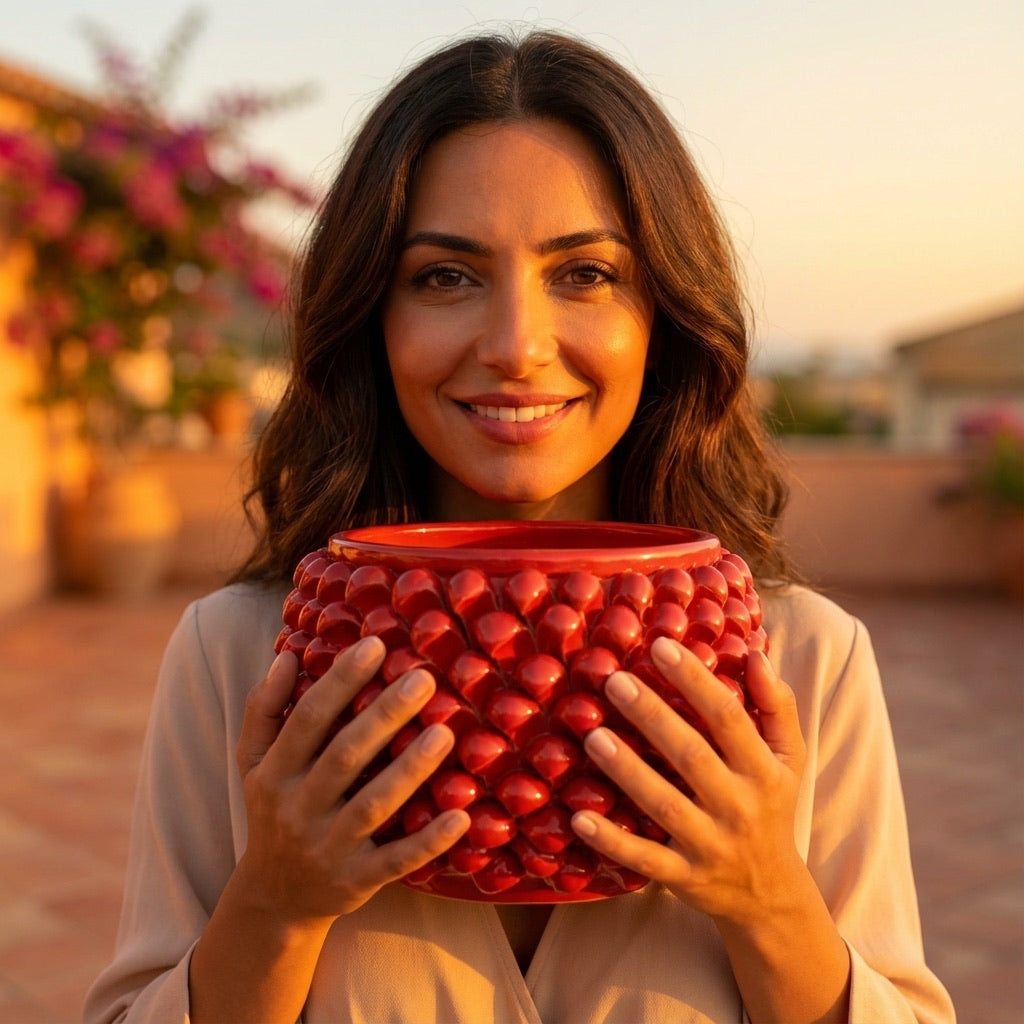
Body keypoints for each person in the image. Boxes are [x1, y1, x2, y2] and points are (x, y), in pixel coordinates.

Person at [84, 29, 955, 1024]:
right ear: (372, 316)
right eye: (445, 277)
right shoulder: (244, 660)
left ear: (662, 313)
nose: (513, 346)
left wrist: (768, 900)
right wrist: (276, 903)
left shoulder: (800, 662)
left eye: (583, 273)